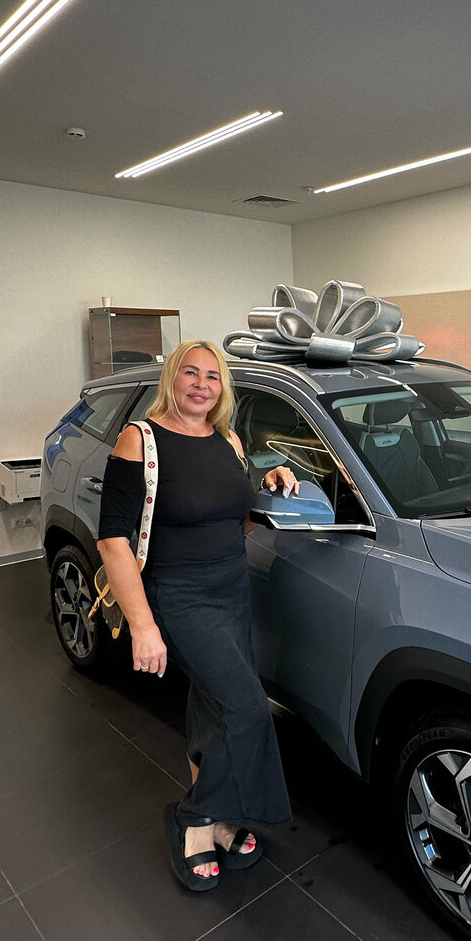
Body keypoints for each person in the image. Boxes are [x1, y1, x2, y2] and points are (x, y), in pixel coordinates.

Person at [97, 339, 296, 891]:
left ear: (222, 387)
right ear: (173, 378)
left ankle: (223, 815)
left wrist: (270, 486)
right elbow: (112, 539)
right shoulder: (140, 439)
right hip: (178, 594)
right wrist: (143, 626)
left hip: (231, 588)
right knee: (247, 709)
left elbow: (236, 518)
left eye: (212, 376)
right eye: (191, 372)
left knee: (213, 704)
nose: (201, 385)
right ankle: (196, 817)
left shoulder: (228, 440)